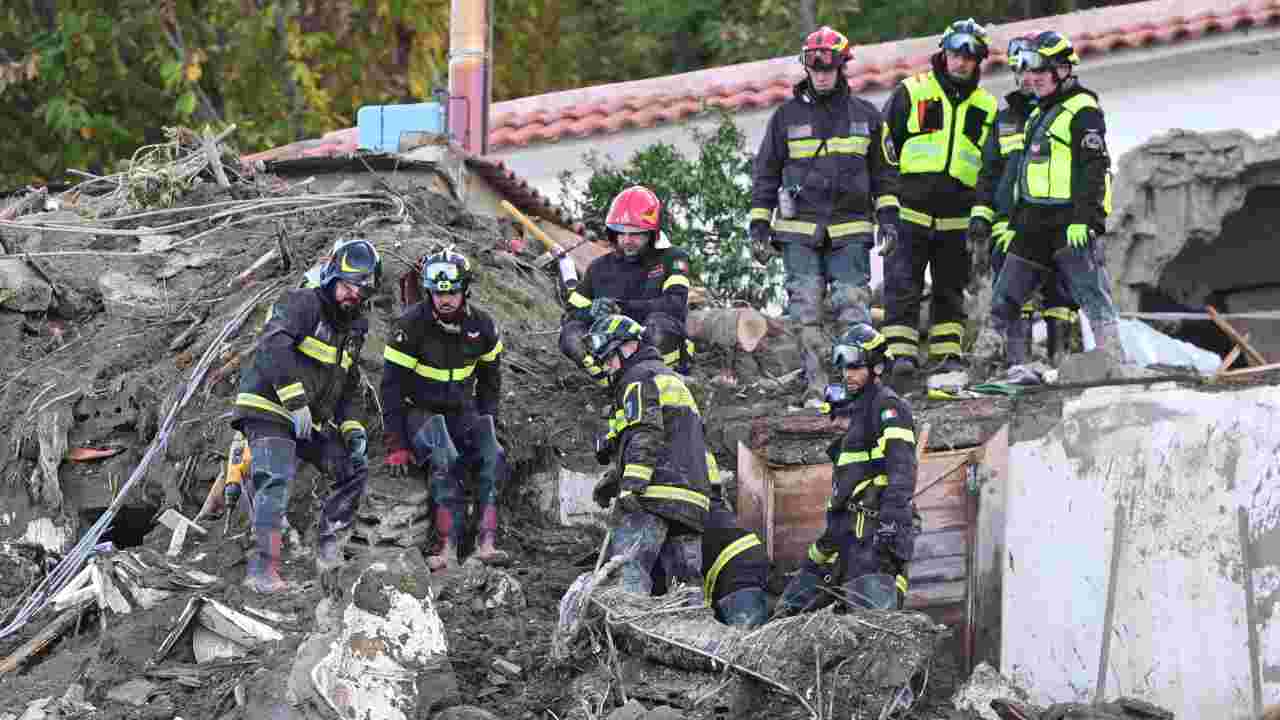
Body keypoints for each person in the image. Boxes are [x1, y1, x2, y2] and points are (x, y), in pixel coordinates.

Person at [749, 25, 900, 408]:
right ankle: (816, 387)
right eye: (813, 67)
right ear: (806, 68)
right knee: (806, 312)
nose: (820, 73)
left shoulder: (866, 116)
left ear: (841, 67)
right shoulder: (785, 117)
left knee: (853, 309)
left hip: (850, 231)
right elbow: (765, 172)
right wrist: (759, 224)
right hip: (799, 232)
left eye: (827, 66)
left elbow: (885, 174)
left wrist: (889, 221)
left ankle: (859, 390)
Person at [231, 238, 380, 593]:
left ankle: (329, 552)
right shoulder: (302, 303)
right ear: (331, 278)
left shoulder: (354, 329)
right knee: (276, 476)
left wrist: (353, 428)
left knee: (351, 468)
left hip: (305, 420)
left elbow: (349, 384)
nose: (351, 296)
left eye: (359, 290)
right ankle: (261, 571)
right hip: (269, 408)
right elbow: (272, 347)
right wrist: (295, 401)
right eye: (346, 286)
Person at [982, 31, 1123, 380]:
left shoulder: (1083, 110)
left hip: (1069, 223)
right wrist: (1013, 221)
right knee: (1005, 296)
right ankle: (981, 365)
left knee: (1091, 295)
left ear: (1062, 71)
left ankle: (1114, 361)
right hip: (1032, 222)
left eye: (1041, 73)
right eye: (1030, 74)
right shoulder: (1037, 114)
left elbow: (1095, 170)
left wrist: (1086, 220)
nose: (1033, 80)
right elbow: (1024, 177)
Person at [881, 19, 998, 382]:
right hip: (909, 210)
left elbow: (990, 166)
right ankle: (900, 356)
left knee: (951, 288)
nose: (960, 62)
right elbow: (884, 151)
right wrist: (886, 204)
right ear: (943, 53)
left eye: (969, 57)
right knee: (903, 285)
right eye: (954, 54)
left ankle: (947, 355)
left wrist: (981, 212)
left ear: (979, 60)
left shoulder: (988, 106)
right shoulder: (912, 91)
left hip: (957, 216)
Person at [777, 324, 919, 614]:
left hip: (874, 540)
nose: (847, 374)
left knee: (871, 628)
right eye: (844, 367)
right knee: (788, 613)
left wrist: (890, 525)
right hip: (842, 539)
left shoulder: (888, 407)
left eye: (855, 367)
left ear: (877, 367)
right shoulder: (857, 415)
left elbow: (902, 470)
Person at [381, 248, 508, 570]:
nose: (444, 299)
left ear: (465, 289)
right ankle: (447, 547)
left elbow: (491, 380)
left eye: (451, 291)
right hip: (419, 411)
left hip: (461, 410)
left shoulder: (483, 325)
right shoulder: (410, 326)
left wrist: (487, 418)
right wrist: (397, 444)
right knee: (443, 455)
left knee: (492, 452)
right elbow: (392, 388)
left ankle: (486, 542)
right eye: (438, 293)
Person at [970, 34, 1079, 375]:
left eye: (1034, 71)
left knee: (1061, 290)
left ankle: (1060, 359)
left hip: (1058, 220)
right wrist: (981, 216)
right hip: (1010, 225)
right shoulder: (1005, 118)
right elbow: (989, 172)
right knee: (1016, 292)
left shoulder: (1067, 110)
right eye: (1021, 72)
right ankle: (1020, 362)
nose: (1028, 78)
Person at [584, 313, 710, 595]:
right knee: (686, 589)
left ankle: (625, 636)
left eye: (608, 359)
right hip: (691, 500)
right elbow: (669, 439)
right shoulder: (670, 378)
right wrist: (615, 477)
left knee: (628, 579)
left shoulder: (638, 378)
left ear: (627, 347)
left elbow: (645, 433)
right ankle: (693, 635)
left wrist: (631, 486)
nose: (607, 368)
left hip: (654, 496)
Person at [559, 186, 694, 385]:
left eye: (635, 234)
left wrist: (623, 307)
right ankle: (611, 381)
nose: (627, 241)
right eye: (621, 233)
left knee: (658, 326)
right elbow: (569, 314)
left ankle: (663, 378)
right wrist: (591, 311)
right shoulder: (598, 268)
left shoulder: (673, 258)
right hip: (611, 357)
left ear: (652, 233)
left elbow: (675, 304)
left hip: (655, 347)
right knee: (570, 334)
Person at [701, 466, 770, 627]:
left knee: (747, 639)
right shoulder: (717, 511)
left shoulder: (695, 514)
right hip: (751, 555)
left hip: (736, 569)